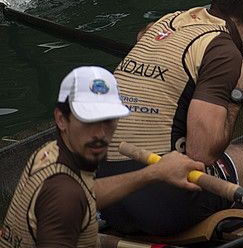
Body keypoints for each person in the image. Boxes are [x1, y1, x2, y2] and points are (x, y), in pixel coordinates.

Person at [96, 0, 243, 235]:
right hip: (159, 206)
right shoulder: (222, 52)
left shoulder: (166, 22)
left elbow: (142, 34)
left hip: (106, 197)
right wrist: (237, 95)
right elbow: (201, 154)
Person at [1, 67, 201, 248]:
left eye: (108, 120)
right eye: (88, 120)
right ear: (61, 119)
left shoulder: (49, 152)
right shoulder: (65, 197)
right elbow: (71, 199)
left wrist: (155, 172)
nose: (100, 134)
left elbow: (85, 194)